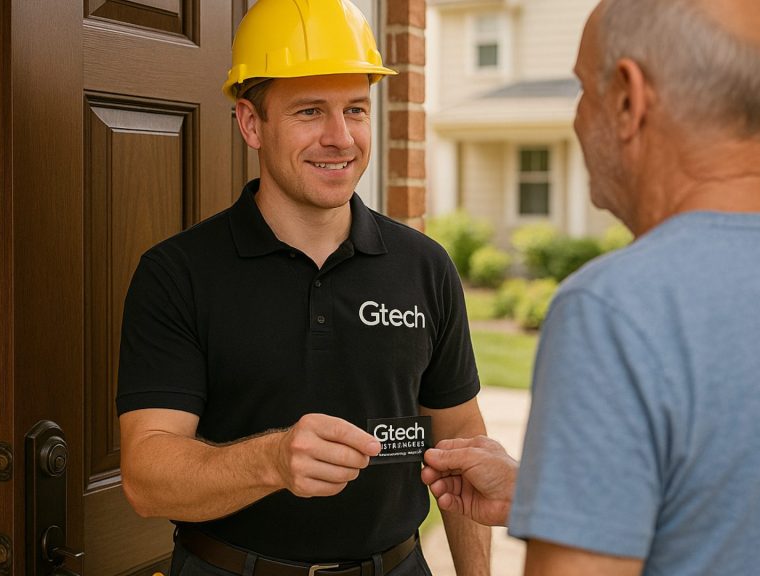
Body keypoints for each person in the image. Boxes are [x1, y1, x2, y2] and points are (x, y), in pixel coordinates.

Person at [421, 0, 760, 574]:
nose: (579, 117)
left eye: (584, 91)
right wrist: (550, 500)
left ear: (627, 98)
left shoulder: (611, 309)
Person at [116, 1, 491, 574]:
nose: (340, 138)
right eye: (310, 111)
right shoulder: (178, 274)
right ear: (250, 123)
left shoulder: (425, 266)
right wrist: (271, 461)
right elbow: (147, 477)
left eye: (356, 110)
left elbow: (461, 441)